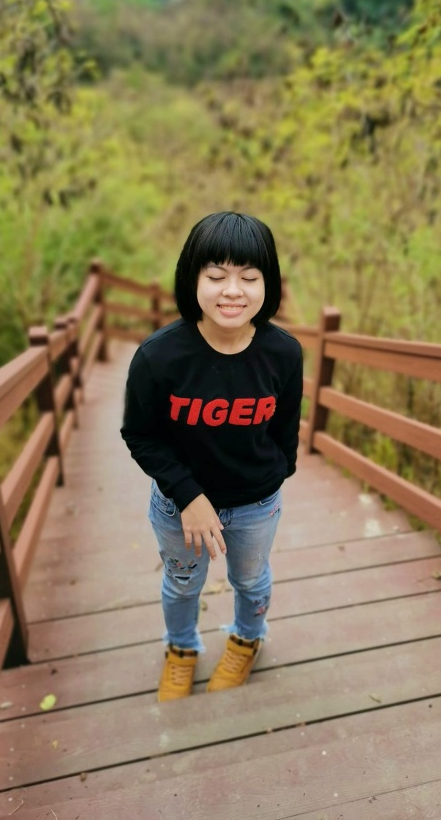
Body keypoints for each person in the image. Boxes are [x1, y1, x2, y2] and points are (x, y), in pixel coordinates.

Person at [120, 211, 303, 701]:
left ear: (269, 283)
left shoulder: (284, 354)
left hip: (255, 506)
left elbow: (286, 427)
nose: (233, 291)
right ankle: (181, 649)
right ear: (192, 279)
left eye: (249, 276)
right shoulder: (159, 358)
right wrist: (189, 496)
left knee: (250, 579)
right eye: (216, 276)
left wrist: (275, 475)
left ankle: (247, 639)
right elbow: (140, 435)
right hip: (179, 509)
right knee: (182, 586)